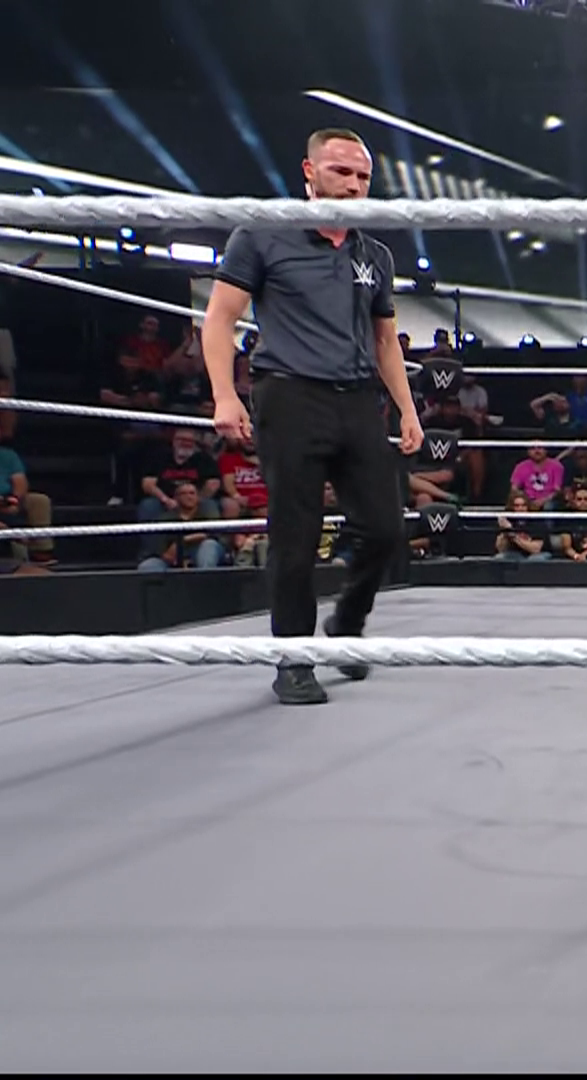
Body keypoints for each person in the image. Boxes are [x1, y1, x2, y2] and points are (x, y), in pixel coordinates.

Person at [202, 127, 424, 706]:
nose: (353, 185)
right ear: (309, 171)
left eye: (362, 176)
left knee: (385, 528)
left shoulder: (373, 255)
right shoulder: (262, 234)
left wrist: (406, 408)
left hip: (357, 400)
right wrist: (224, 395)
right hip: (290, 395)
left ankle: (347, 623)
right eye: (340, 172)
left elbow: (385, 341)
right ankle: (295, 658)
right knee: (295, 536)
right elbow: (220, 317)